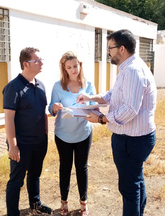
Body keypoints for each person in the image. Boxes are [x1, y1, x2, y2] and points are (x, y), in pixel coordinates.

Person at [77, 29, 157, 216]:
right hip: (133, 137)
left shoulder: (132, 71)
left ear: (122, 49)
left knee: (129, 188)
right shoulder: (128, 68)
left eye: (110, 48)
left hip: (133, 139)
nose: (107, 52)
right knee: (135, 181)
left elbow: (130, 109)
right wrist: (93, 98)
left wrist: (101, 119)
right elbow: (115, 95)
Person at [3, 47, 52, 216]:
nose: (41, 63)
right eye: (37, 60)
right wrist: (13, 145)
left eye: (41, 59)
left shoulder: (41, 85)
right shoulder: (14, 87)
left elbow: (43, 112)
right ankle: (12, 212)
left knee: (35, 174)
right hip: (21, 143)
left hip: (40, 141)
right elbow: (9, 118)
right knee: (16, 180)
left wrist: (46, 135)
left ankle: (35, 204)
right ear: (25, 64)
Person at [48, 51, 96, 216]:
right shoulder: (58, 86)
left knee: (82, 168)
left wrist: (89, 105)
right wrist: (54, 108)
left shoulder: (88, 84)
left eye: (75, 65)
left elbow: (94, 107)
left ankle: (84, 203)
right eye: (69, 67)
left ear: (79, 65)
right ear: (64, 69)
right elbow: (51, 108)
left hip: (83, 133)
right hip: (63, 135)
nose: (73, 69)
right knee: (65, 168)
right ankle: (64, 202)